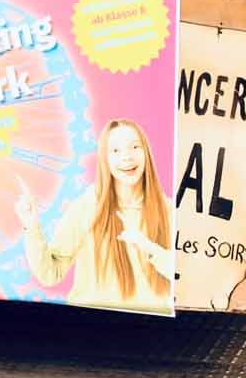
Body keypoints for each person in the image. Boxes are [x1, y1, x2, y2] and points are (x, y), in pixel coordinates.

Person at [14, 118, 175, 314]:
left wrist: (146, 245)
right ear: (105, 159)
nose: (127, 157)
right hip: (93, 330)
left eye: (135, 147)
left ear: (146, 153)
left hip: (156, 331)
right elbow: (51, 273)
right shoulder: (86, 207)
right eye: (115, 150)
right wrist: (31, 226)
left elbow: (182, 274)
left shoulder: (168, 210)